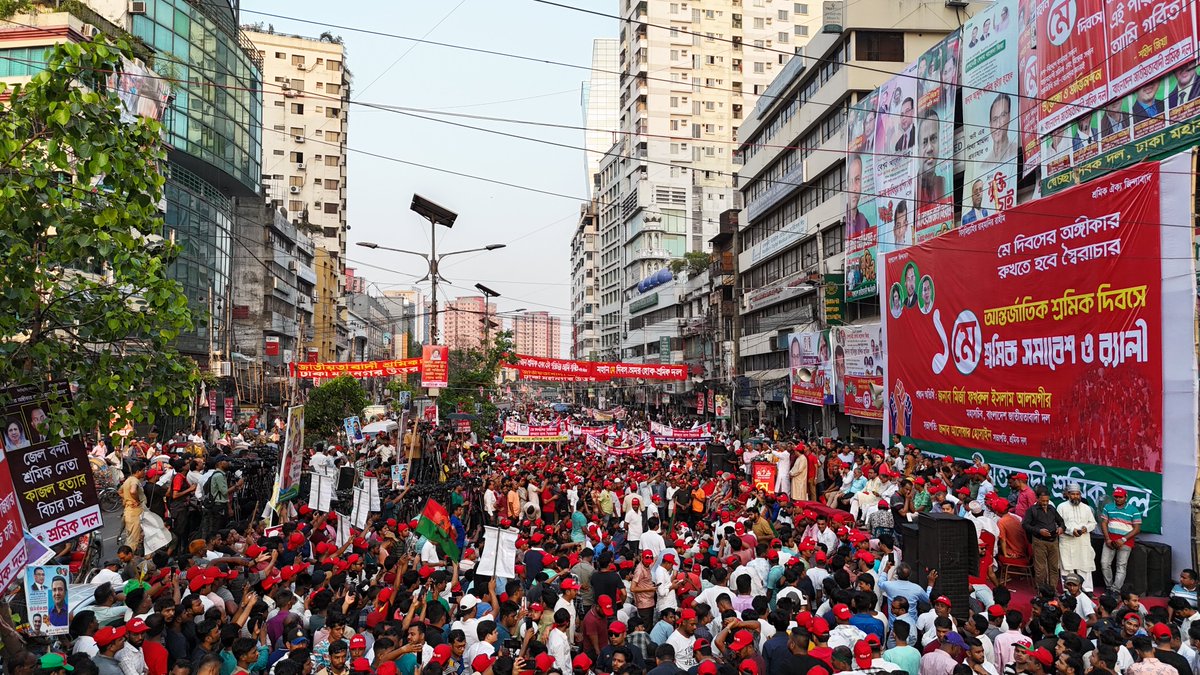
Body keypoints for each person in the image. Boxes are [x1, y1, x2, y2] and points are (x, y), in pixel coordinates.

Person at [1056, 483, 1097, 593]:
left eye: (1077, 494)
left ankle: (1087, 590)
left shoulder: (1086, 508)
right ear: (1068, 495)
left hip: (1082, 542)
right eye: (1073, 494)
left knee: (1085, 566)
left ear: (1080, 495)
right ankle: (1067, 590)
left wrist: (1085, 528)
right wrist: (1071, 530)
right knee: (1067, 566)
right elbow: (1059, 524)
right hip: (1067, 541)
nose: (1075, 496)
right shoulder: (1061, 507)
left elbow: (1093, 523)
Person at [1100, 487, 1141, 594]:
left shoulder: (1133, 510)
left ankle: (1115, 589)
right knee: (1104, 563)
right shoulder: (1108, 507)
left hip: (1126, 541)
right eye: (1116, 497)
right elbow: (1104, 523)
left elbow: (1137, 529)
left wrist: (1123, 539)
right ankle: (1109, 587)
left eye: (1120, 497)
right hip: (1110, 539)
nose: (1118, 499)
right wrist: (1108, 539)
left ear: (1126, 497)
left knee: (1121, 566)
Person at [1021, 487, 1063, 591]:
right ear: (1037, 499)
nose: (1045, 503)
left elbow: (1061, 521)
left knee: (1053, 567)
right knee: (1041, 569)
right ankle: (1042, 590)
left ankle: (1052, 589)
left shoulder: (1052, 509)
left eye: (1047, 501)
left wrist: (1061, 528)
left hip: (1053, 541)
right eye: (1043, 501)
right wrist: (1039, 531)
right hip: (1039, 541)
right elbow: (1025, 525)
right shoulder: (1032, 510)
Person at [982, 94, 1016, 168]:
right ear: (990, 124)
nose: (998, 125)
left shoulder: (1015, 150)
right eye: (995, 119)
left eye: (1003, 115)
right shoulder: (984, 165)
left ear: (1009, 117)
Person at [847, 155, 871, 238]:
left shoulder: (864, 220)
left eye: (857, 179)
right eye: (850, 181)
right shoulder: (844, 219)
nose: (854, 188)